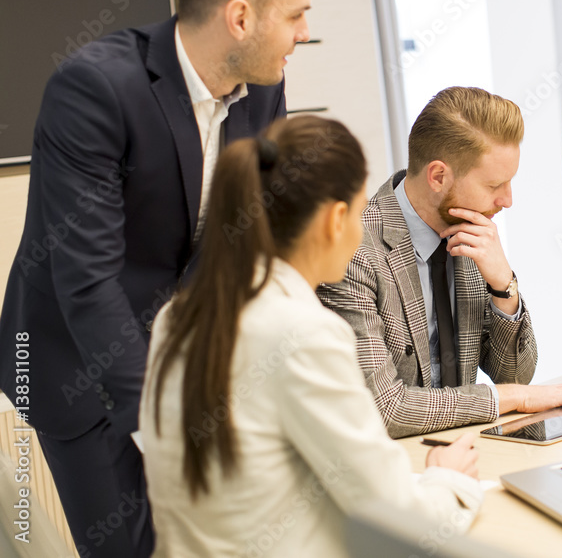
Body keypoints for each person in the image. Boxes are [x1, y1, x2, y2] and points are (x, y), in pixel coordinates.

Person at [0, 0, 314, 557]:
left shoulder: (262, 92)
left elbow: (248, 235)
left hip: (181, 353)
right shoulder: (94, 89)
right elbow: (85, 281)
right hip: (70, 361)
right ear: (239, 17)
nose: (304, 36)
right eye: (295, 16)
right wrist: (166, 422)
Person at [139, 116, 483, 556]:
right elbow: (398, 521)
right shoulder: (303, 332)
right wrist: (447, 477)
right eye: (360, 213)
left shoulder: (178, 316)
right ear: (336, 220)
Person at [319, 86, 562, 438]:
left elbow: (517, 375)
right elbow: (385, 410)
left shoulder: (472, 235)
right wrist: (511, 398)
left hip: (464, 448)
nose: (507, 200)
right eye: (496, 185)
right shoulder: (352, 253)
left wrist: (503, 284)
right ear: (438, 177)